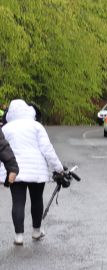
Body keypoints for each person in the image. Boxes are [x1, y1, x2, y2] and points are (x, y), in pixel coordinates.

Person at [1, 99, 64, 245]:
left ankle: (18, 236)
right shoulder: (36, 126)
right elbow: (47, 149)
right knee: (36, 200)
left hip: (14, 171)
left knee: (17, 202)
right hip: (37, 169)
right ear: (27, 110)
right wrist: (59, 168)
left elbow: (1, 150)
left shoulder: (6, 128)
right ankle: (36, 231)